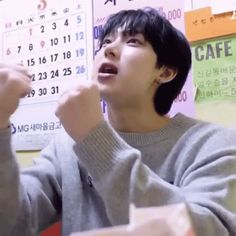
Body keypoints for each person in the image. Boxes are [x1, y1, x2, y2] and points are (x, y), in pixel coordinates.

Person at [0, 7, 236, 236]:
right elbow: (11, 225)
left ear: (165, 72)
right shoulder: (66, 146)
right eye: (105, 42)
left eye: (133, 41)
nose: (109, 49)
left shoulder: (212, 143)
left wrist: (94, 138)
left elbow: (207, 230)